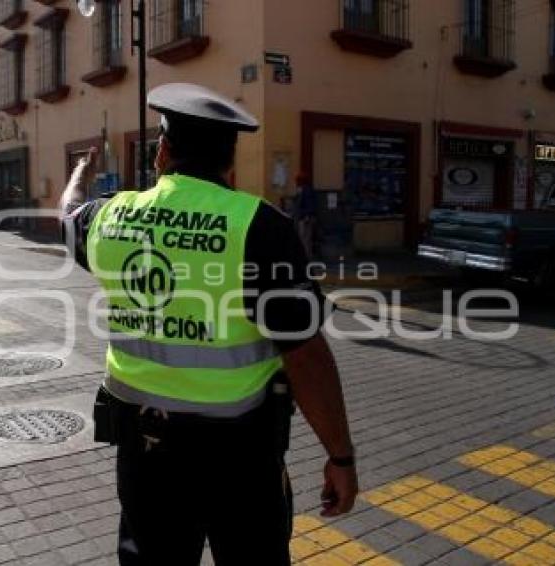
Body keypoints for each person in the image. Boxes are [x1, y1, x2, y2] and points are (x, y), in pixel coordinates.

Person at [61, 83, 356, 566]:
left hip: (145, 451)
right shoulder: (260, 226)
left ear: (162, 152)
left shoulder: (110, 217)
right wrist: (340, 456)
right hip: (240, 459)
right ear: (229, 162)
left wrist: (80, 172)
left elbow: (67, 213)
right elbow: (305, 354)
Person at [294, 172, 317, 258]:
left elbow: (308, 205)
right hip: (302, 218)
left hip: (305, 219)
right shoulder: (302, 190)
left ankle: (306, 257)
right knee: (304, 239)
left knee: (305, 239)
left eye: (297, 181)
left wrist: (307, 216)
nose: (296, 183)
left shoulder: (306, 190)